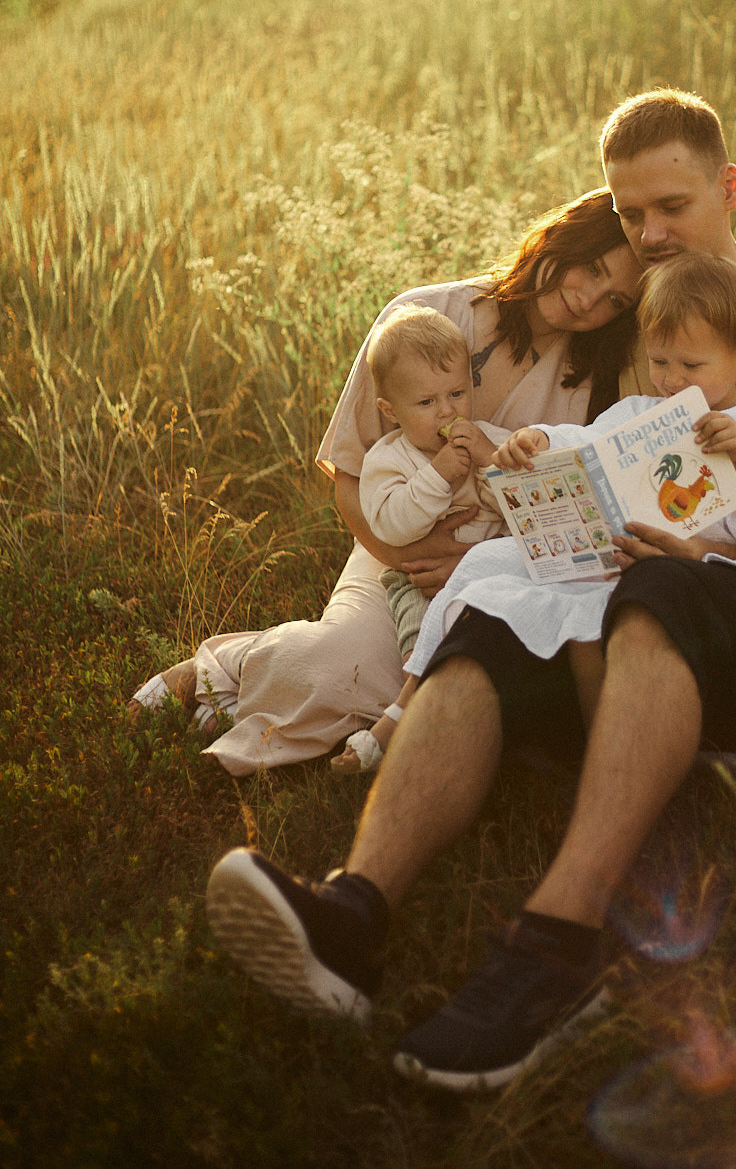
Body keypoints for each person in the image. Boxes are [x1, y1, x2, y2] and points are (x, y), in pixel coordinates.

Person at [204, 88, 736, 1090]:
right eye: (631, 212)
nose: (650, 233)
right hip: (627, 609)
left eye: (673, 206)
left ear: (729, 189)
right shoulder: (638, 337)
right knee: (493, 616)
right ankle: (354, 908)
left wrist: (708, 561)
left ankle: (564, 940)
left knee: (663, 589)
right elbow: (597, 455)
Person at [128, 189, 642, 774]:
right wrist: (412, 555)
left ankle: (287, 703)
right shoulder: (424, 316)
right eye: (591, 268)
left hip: (504, 571)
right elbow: (349, 478)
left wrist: (476, 565)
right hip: (395, 545)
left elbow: (575, 516)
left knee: (450, 691)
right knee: (341, 666)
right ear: (558, 238)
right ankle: (225, 666)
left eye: (614, 299)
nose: (589, 299)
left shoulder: (598, 380)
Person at [405, 253, 736, 733]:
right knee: (485, 562)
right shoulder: (640, 412)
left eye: (691, 364)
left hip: (690, 582)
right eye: (659, 361)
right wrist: (540, 441)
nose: (672, 380)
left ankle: (604, 739)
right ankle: (413, 685)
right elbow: (587, 445)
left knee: (591, 628)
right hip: (604, 558)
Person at [333, 304, 512, 774]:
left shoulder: (487, 439)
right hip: (417, 582)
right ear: (391, 412)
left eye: (456, 393)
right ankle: (416, 716)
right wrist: (439, 477)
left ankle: (439, 719)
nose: (448, 411)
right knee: (421, 637)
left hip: (485, 576)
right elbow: (393, 526)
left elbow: (520, 506)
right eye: (427, 403)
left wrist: (490, 462)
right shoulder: (388, 461)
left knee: (484, 634)